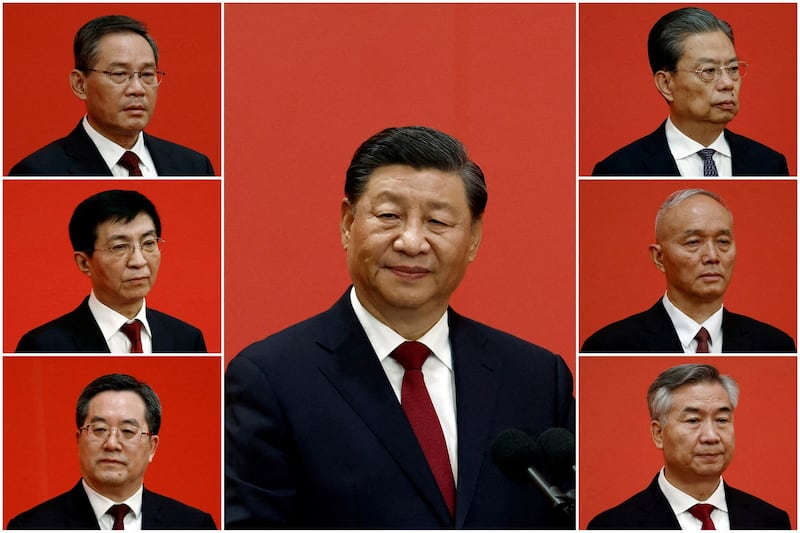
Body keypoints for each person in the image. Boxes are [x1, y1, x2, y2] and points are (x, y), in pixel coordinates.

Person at [225, 126, 575, 528]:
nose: (412, 242)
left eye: (438, 221)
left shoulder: (536, 378)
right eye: (389, 216)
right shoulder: (271, 379)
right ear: (347, 223)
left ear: (474, 238)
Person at [581, 188, 795, 353]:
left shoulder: (775, 344)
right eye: (693, 242)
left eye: (723, 241)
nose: (712, 256)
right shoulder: (611, 345)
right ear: (659, 257)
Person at [588, 363, 790, 529]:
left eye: (721, 420)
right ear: (658, 434)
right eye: (693, 420)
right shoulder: (614, 525)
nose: (711, 436)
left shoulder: (772, 521)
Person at [8, 15, 214, 176]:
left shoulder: (194, 165)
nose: (138, 89)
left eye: (147, 75)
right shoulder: (39, 171)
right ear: (80, 84)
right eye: (119, 74)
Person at [592, 7, 789, 176]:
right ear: (666, 84)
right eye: (709, 71)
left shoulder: (770, 164)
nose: (728, 83)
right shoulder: (620, 170)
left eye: (733, 69)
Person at [6, 373, 216, 529]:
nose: (112, 443)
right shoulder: (30, 527)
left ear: (152, 447)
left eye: (127, 431)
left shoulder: (193, 524)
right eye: (99, 429)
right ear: (79, 440)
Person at [16, 189, 206, 353]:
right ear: (84, 263)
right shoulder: (44, 345)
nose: (138, 261)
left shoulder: (187, 338)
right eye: (119, 247)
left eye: (148, 243)